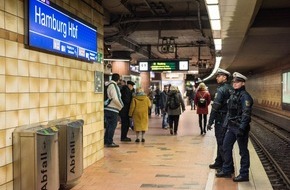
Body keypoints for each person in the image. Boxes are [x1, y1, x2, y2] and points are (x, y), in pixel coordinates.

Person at [216, 72, 253, 182]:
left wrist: (242, 128)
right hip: (231, 127)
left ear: (243, 83)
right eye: (234, 82)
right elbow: (229, 112)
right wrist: (225, 125)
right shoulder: (233, 95)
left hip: (240, 128)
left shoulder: (245, 97)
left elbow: (246, 114)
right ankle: (227, 169)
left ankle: (244, 174)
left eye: (238, 82)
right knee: (226, 147)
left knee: (243, 152)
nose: (235, 84)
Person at [207, 69, 233, 169]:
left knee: (221, 142)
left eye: (219, 76)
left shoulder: (221, 90)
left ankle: (225, 166)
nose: (217, 78)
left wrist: (210, 122)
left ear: (224, 77)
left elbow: (215, 107)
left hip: (221, 119)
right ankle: (219, 161)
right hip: (228, 119)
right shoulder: (231, 88)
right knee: (223, 142)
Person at [104, 73, 124, 148]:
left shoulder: (107, 85)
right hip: (113, 109)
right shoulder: (114, 86)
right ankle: (109, 141)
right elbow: (116, 98)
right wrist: (121, 106)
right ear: (118, 79)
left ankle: (106, 140)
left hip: (106, 107)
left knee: (109, 125)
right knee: (112, 125)